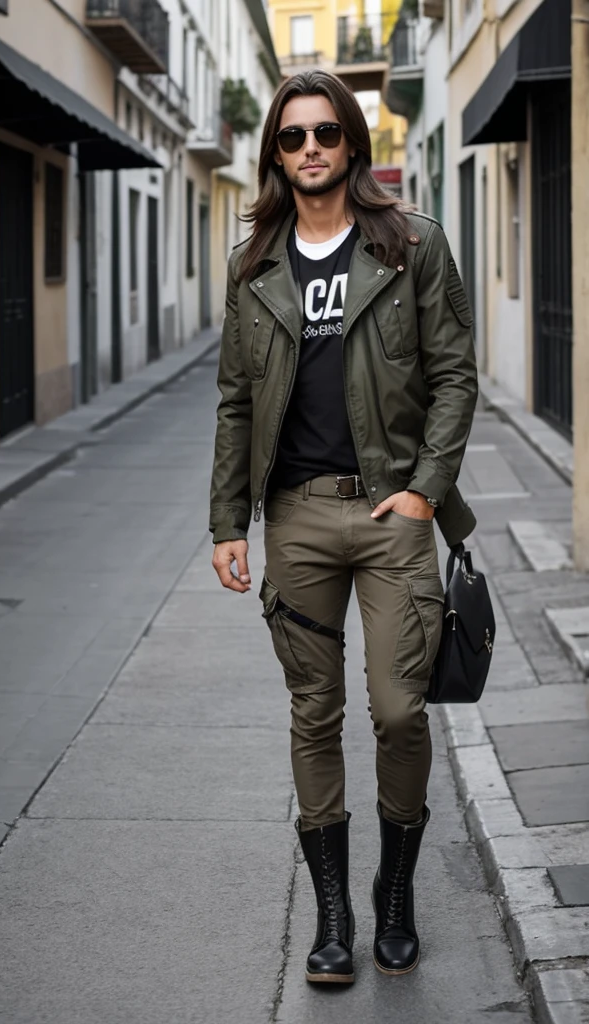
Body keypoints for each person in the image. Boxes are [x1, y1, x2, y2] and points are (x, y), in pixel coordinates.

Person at [209, 69, 478, 985]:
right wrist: (227, 524)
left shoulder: (411, 245)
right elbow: (236, 401)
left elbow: (453, 377)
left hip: (391, 509)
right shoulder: (253, 267)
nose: (311, 148)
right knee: (313, 714)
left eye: (325, 132)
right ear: (276, 154)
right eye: (293, 137)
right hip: (296, 515)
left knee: (401, 713)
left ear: (353, 143)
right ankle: (331, 919)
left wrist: (425, 493)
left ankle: (393, 895)